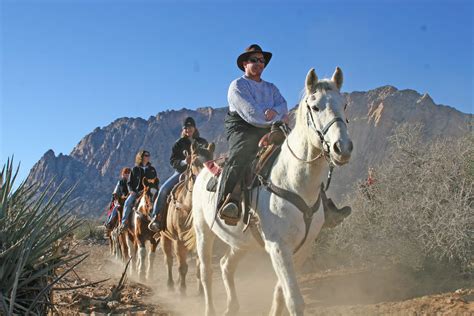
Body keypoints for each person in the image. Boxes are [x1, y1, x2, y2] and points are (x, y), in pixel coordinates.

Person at [217, 44, 289, 224]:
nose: (259, 63)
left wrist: (274, 114)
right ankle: (228, 202)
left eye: (262, 61)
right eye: (254, 60)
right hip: (243, 129)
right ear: (244, 64)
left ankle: (320, 204)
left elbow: (283, 107)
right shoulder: (237, 85)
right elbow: (251, 113)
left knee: (297, 150)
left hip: (269, 128)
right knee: (241, 153)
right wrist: (272, 113)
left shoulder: (271, 88)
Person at [148, 117, 208, 232]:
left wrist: (199, 160)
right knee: (164, 190)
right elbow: (173, 161)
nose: (188, 129)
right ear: (183, 130)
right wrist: (185, 161)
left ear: (195, 128)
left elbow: (208, 155)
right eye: (186, 128)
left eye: (190, 127)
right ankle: (156, 217)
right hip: (182, 171)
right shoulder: (178, 144)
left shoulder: (202, 142)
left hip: (200, 170)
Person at [120, 150, 159, 230]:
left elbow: (155, 182)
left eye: (148, 155)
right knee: (127, 203)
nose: (148, 157)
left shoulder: (152, 169)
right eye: (146, 155)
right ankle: (124, 223)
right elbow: (129, 182)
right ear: (141, 157)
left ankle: (158, 222)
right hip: (136, 192)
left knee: (159, 203)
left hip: (148, 192)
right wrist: (131, 191)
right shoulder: (135, 169)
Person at [104, 167, 131, 236]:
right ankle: (108, 225)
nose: (127, 175)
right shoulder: (121, 182)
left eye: (128, 173)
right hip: (119, 200)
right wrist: (121, 197)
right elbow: (118, 192)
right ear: (123, 174)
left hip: (128, 199)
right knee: (115, 209)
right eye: (126, 173)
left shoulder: (131, 182)